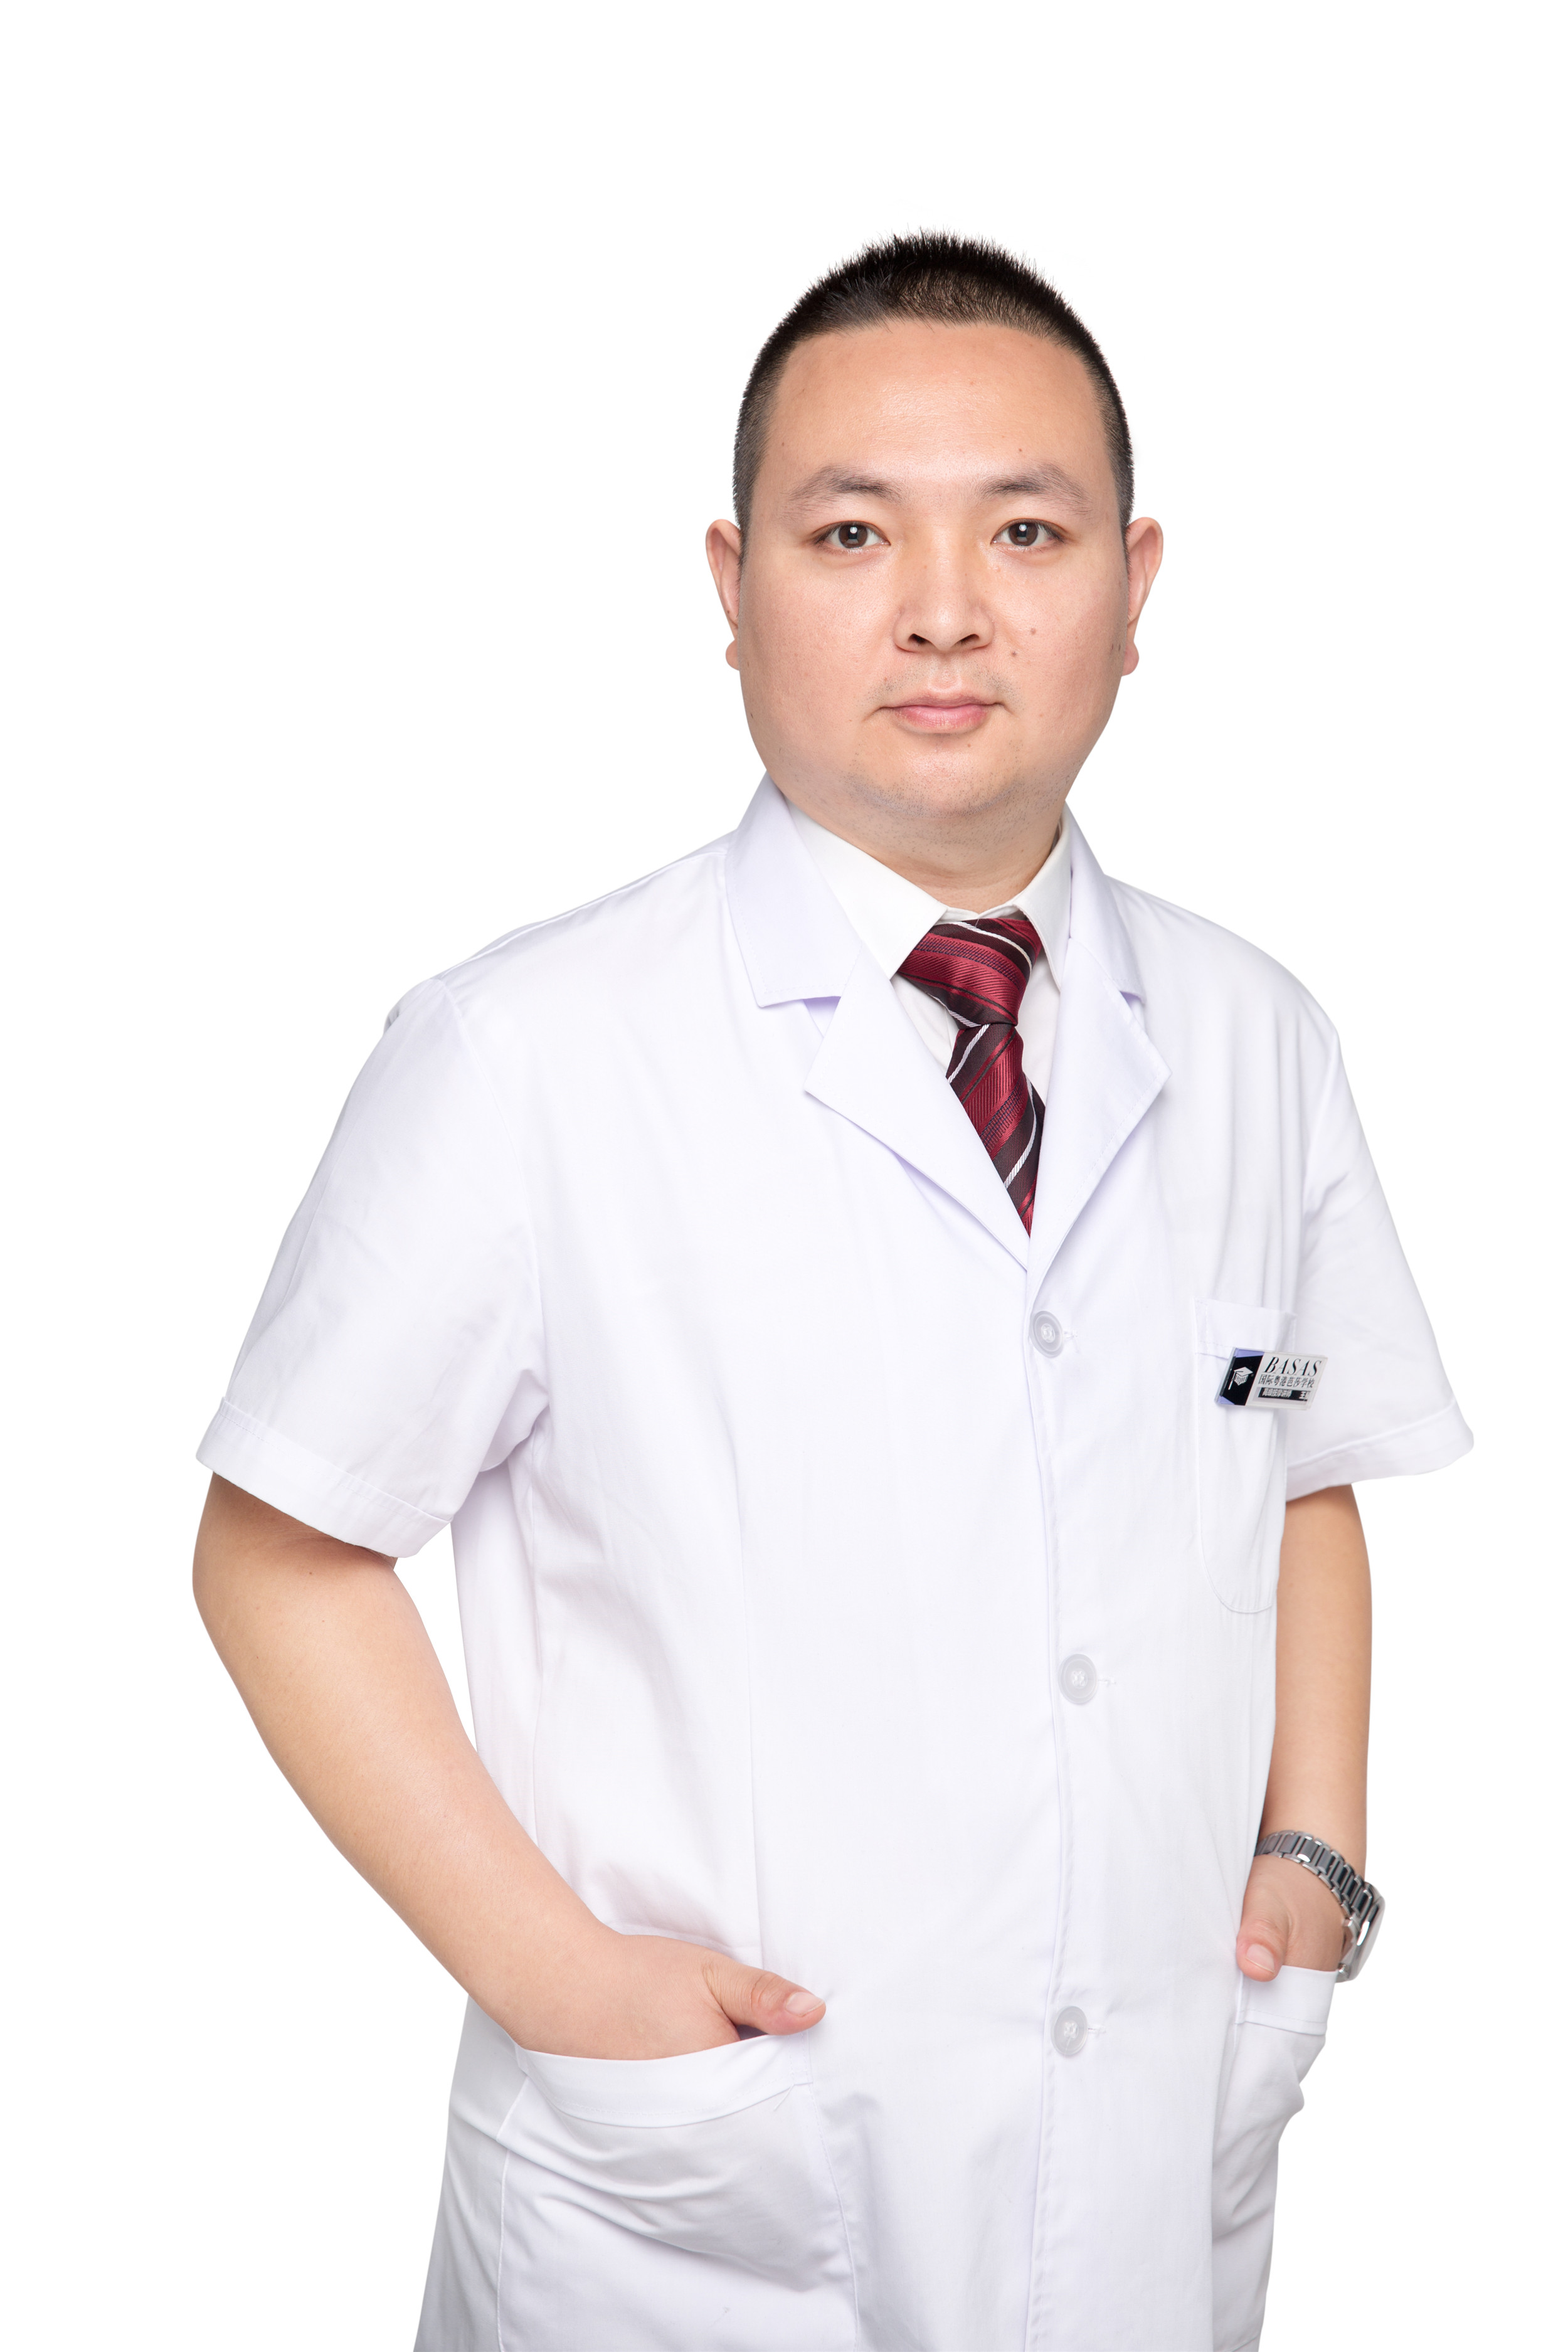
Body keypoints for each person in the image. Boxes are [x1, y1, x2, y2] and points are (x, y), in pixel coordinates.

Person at [193, 233, 1470, 2351]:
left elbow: (1300, 1468)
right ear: (731, 584)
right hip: (699, 2200)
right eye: (852, 531)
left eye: (1026, 531)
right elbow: (279, 1549)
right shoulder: (525, 1052)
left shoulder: (1254, 1034)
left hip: (1153, 2152)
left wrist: (1313, 1863)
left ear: (1134, 588)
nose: (944, 608)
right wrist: (552, 1977)